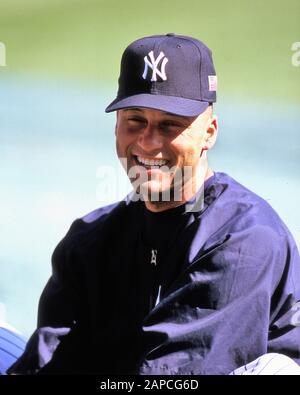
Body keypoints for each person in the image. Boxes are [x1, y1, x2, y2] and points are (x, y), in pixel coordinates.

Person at [8, 33, 300, 375]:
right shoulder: (91, 240)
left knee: (272, 370)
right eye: (135, 120)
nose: (148, 142)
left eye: (170, 125)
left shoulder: (244, 241)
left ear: (209, 133)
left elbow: (174, 378)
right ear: (117, 124)